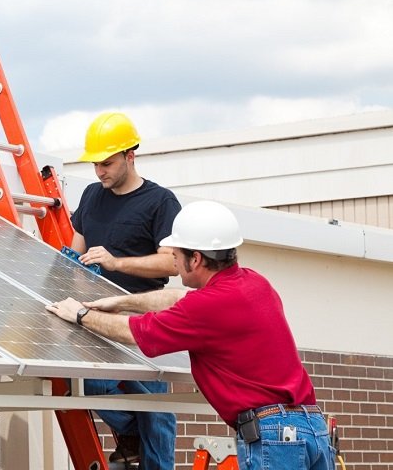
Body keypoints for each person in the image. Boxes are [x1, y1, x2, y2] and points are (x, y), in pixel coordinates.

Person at [47, 200, 335, 470]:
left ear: (195, 259)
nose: (173, 263)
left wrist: (81, 315)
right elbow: (177, 299)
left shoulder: (206, 307)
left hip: (275, 437)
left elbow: (136, 332)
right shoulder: (254, 283)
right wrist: (121, 302)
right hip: (312, 429)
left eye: (176, 256)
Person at [70, 112, 180, 468]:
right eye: (95, 164)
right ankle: (131, 433)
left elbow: (172, 263)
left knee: (157, 411)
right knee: (91, 386)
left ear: (130, 156)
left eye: (107, 163)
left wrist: (116, 263)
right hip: (96, 313)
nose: (100, 171)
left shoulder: (160, 202)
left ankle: (152, 458)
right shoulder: (91, 195)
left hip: (142, 316)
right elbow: (76, 251)